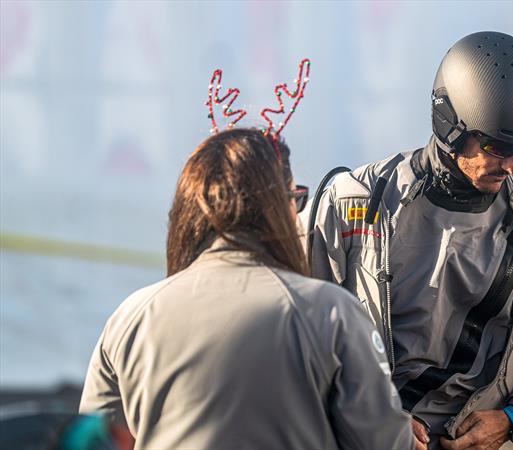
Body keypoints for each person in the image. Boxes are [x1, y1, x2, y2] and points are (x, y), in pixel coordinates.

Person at [309, 31, 513, 450]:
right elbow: (299, 340)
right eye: (497, 146)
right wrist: (369, 415)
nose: (511, 165)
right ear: (448, 123)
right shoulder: (351, 202)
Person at [80, 128, 413, 450]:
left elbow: (91, 442)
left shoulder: (131, 319)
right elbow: (385, 443)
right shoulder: (331, 314)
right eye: (296, 200)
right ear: (278, 209)